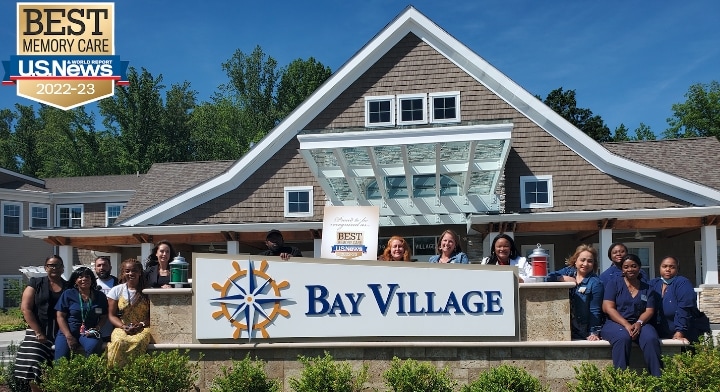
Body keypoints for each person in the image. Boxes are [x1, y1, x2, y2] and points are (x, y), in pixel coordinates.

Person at [601, 254, 662, 376]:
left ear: (639, 267)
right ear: (622, 269)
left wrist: (639, 323)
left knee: (650, 338)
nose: (630, 269)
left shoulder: (647, 288)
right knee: (623, 337)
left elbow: (649, 310)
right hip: (615, 323)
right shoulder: (614, 284)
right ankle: (621, 381)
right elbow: (608, 308)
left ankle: (658, 380)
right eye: (626, 267)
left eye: (633, 266)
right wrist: (627, 325)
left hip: (641, 323)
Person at [13, 256, 67, 392]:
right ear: (45, 268)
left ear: (62, 268)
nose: (54, 268)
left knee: (56, 367)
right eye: (51, 265)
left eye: (57, 265)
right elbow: (26, 308)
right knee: (34, 360)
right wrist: (38, 331)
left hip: (60, 332)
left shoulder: (68, 286)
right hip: (37, 331)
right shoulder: (35, 283)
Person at [549, 245, 604, 340]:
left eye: (590, 261)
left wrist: (593, 332)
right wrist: (561, 278)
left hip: (582, 330)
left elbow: (595, 310)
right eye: (582, 260)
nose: (585, 264)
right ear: (575, 260)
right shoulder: (568, 272)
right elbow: (548, 277)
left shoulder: (596, 283)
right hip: (563, 327)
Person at [650, 256, 708, 342]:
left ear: (677, 269)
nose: (667, 269)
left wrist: (680, 331)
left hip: (684, 331)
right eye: (664, 266)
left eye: (672, 267)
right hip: (661, 330)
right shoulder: (654, 283)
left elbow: (685, 308)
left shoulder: (682, 283)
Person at [54, 267, 109, 359]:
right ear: (75, 280)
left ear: (92, 279)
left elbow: (104, 316)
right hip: (68, 331)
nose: (84, 279)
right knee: (61, 359)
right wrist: (68, 336)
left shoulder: (100, 296)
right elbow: (60, 316)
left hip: (89, 332)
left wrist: (97, 328)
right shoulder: (68, 294)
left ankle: (90, 372)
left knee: (93, 347)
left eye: (87, 277)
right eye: (80, 277)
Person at [107, 259, 151, 367]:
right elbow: (111, 315)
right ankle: (116, 371)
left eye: (134, 271)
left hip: (143, 327)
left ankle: (133, 371)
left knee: (139, 342)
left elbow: (153, 316)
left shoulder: (148, 291)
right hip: (122, 326)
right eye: (127, 271)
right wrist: (123, 326)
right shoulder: (116, 290)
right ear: (123, 273)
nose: (131, 273)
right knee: (118, 341)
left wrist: (141, 324)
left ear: (140, 272)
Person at [94, 256, 118, 341]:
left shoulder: (119, 283)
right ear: (95, 268)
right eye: (99, 265)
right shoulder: (91, 284)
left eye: (104, 265)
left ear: (110, 267)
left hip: (115, 324)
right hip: (97, 324)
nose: (102, 268)